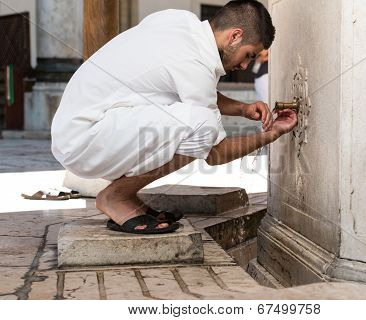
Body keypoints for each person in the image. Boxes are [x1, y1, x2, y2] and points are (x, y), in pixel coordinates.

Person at [51, 0, 298, 234]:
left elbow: (187, 87)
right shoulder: (195, 64)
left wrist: (243, 109)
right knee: (204, 126)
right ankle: (116, 196)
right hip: (86, 139)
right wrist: (272, 133)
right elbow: (216, 153)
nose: (245, 66)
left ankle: (125, 195)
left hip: (79, 128)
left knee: (191, 117)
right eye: (249, 55)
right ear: (234, 36)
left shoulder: (179, 21)